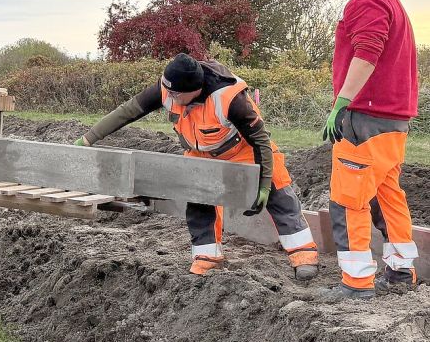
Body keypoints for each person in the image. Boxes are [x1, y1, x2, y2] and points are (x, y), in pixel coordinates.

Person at [75, 53, 320, 280]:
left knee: (279, 193)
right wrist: (88, 138)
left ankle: (303, 255)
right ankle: (208, 257)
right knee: (197, 197)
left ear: (194, 90)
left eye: (175, 96)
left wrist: (264, 185)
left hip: (244, 149)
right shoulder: (169, 87)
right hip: (202, 152)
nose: (169, 99)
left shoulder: (230, 99)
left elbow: (261, 141)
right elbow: (127, 111)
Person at [316, 0, 420, 299]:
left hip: (367, 117)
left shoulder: (367, 0)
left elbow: (367, 52)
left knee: (348, 199)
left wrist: (341, 103)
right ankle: (400, 272)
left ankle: (356, 282)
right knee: (388, 194)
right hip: (393, 119)